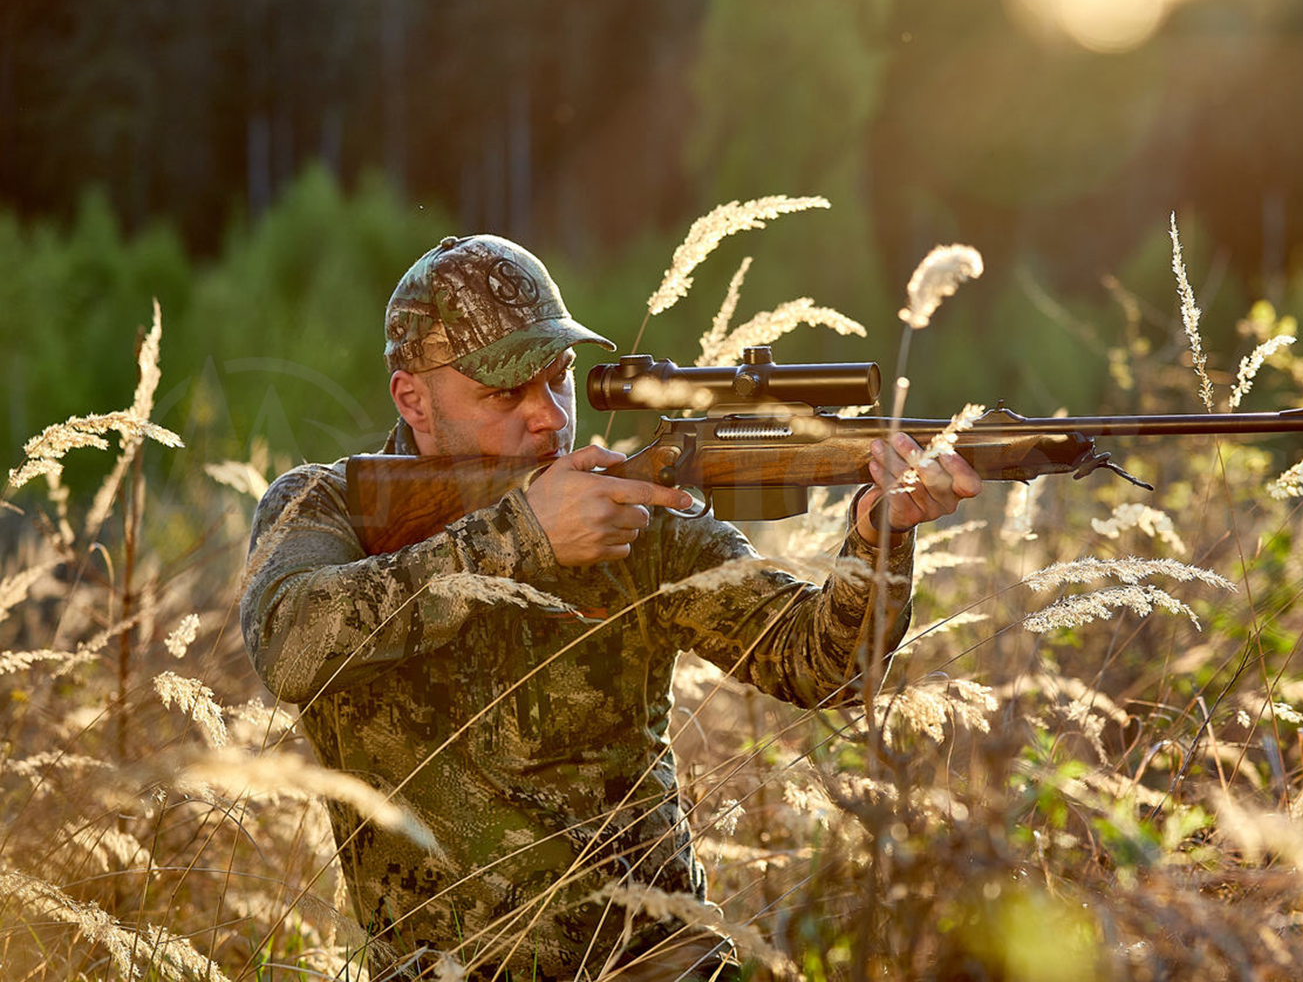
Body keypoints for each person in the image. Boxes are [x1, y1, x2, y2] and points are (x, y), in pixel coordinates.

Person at [240, 234, 980, 979]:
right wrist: (519, 536)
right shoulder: (327, 506)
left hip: (657, 958)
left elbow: (827, 670)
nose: (551, 420)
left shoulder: (633, 517)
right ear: (413, 398)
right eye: (506, 393)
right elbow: (292, 644)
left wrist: (879, 538)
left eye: (559, 379)